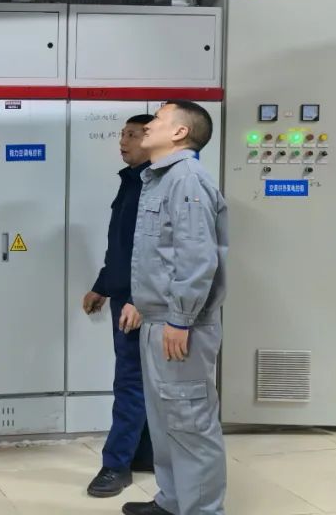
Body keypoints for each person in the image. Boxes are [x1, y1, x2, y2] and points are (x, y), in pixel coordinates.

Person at [122, 100, 228, 515]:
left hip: (182, 324)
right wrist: (141, 302)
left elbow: (197, 257)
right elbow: (162, 254)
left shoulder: (187, 179)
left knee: (190, 423)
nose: (149, 125)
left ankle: (201, 509)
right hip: (158, 318)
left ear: (181, 132)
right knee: (166, 421)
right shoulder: (160, 178)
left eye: (159, 119)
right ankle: (172, 502)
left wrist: (180, 319)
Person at [82, 114, 155, 498]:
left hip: (140, 301)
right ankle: (144, 454)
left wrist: (140, 298)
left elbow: (156, 251)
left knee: (130, 380)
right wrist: (102, 286)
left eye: (132, 135)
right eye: (122, 134)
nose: (123, 141)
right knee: (139, 379)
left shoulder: (156, 186)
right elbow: (123, 246)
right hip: (126, 295)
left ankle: (116, 465)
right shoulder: (131, 181)